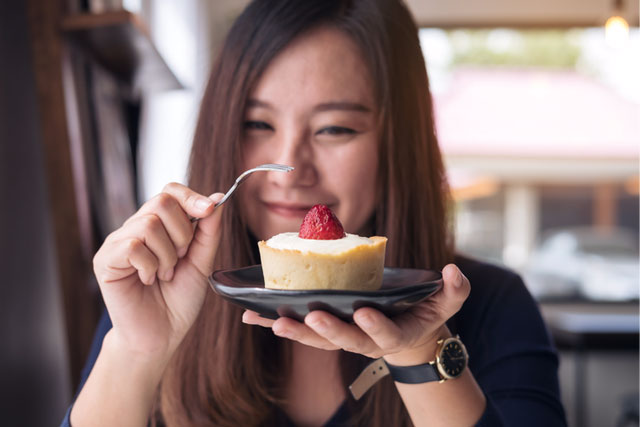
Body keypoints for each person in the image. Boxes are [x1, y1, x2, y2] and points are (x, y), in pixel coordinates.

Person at [63, 0, 567, 426]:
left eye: (333, 129)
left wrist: (419, 349)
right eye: (257, 123)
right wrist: (137, 351)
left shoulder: (493, 305)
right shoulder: (163, 297)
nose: (287, 171)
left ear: (399, 143)